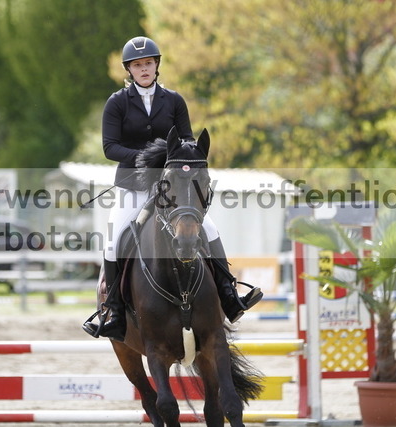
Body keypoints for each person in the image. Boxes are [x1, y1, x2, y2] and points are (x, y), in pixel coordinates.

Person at [82, 36, 262, 341]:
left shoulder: (174, 100)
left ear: (156, 65)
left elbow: (188, 139)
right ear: (129, 70)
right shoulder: (117, 102)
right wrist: (147, 158)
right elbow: (110, 147)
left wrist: (177, 159)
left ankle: (229, 295)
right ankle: (114, 312)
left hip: (173, 187)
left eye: (148, 63)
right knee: (114, 240)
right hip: (133, 185)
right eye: (137, 65)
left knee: (210, 229)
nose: (143, 69)